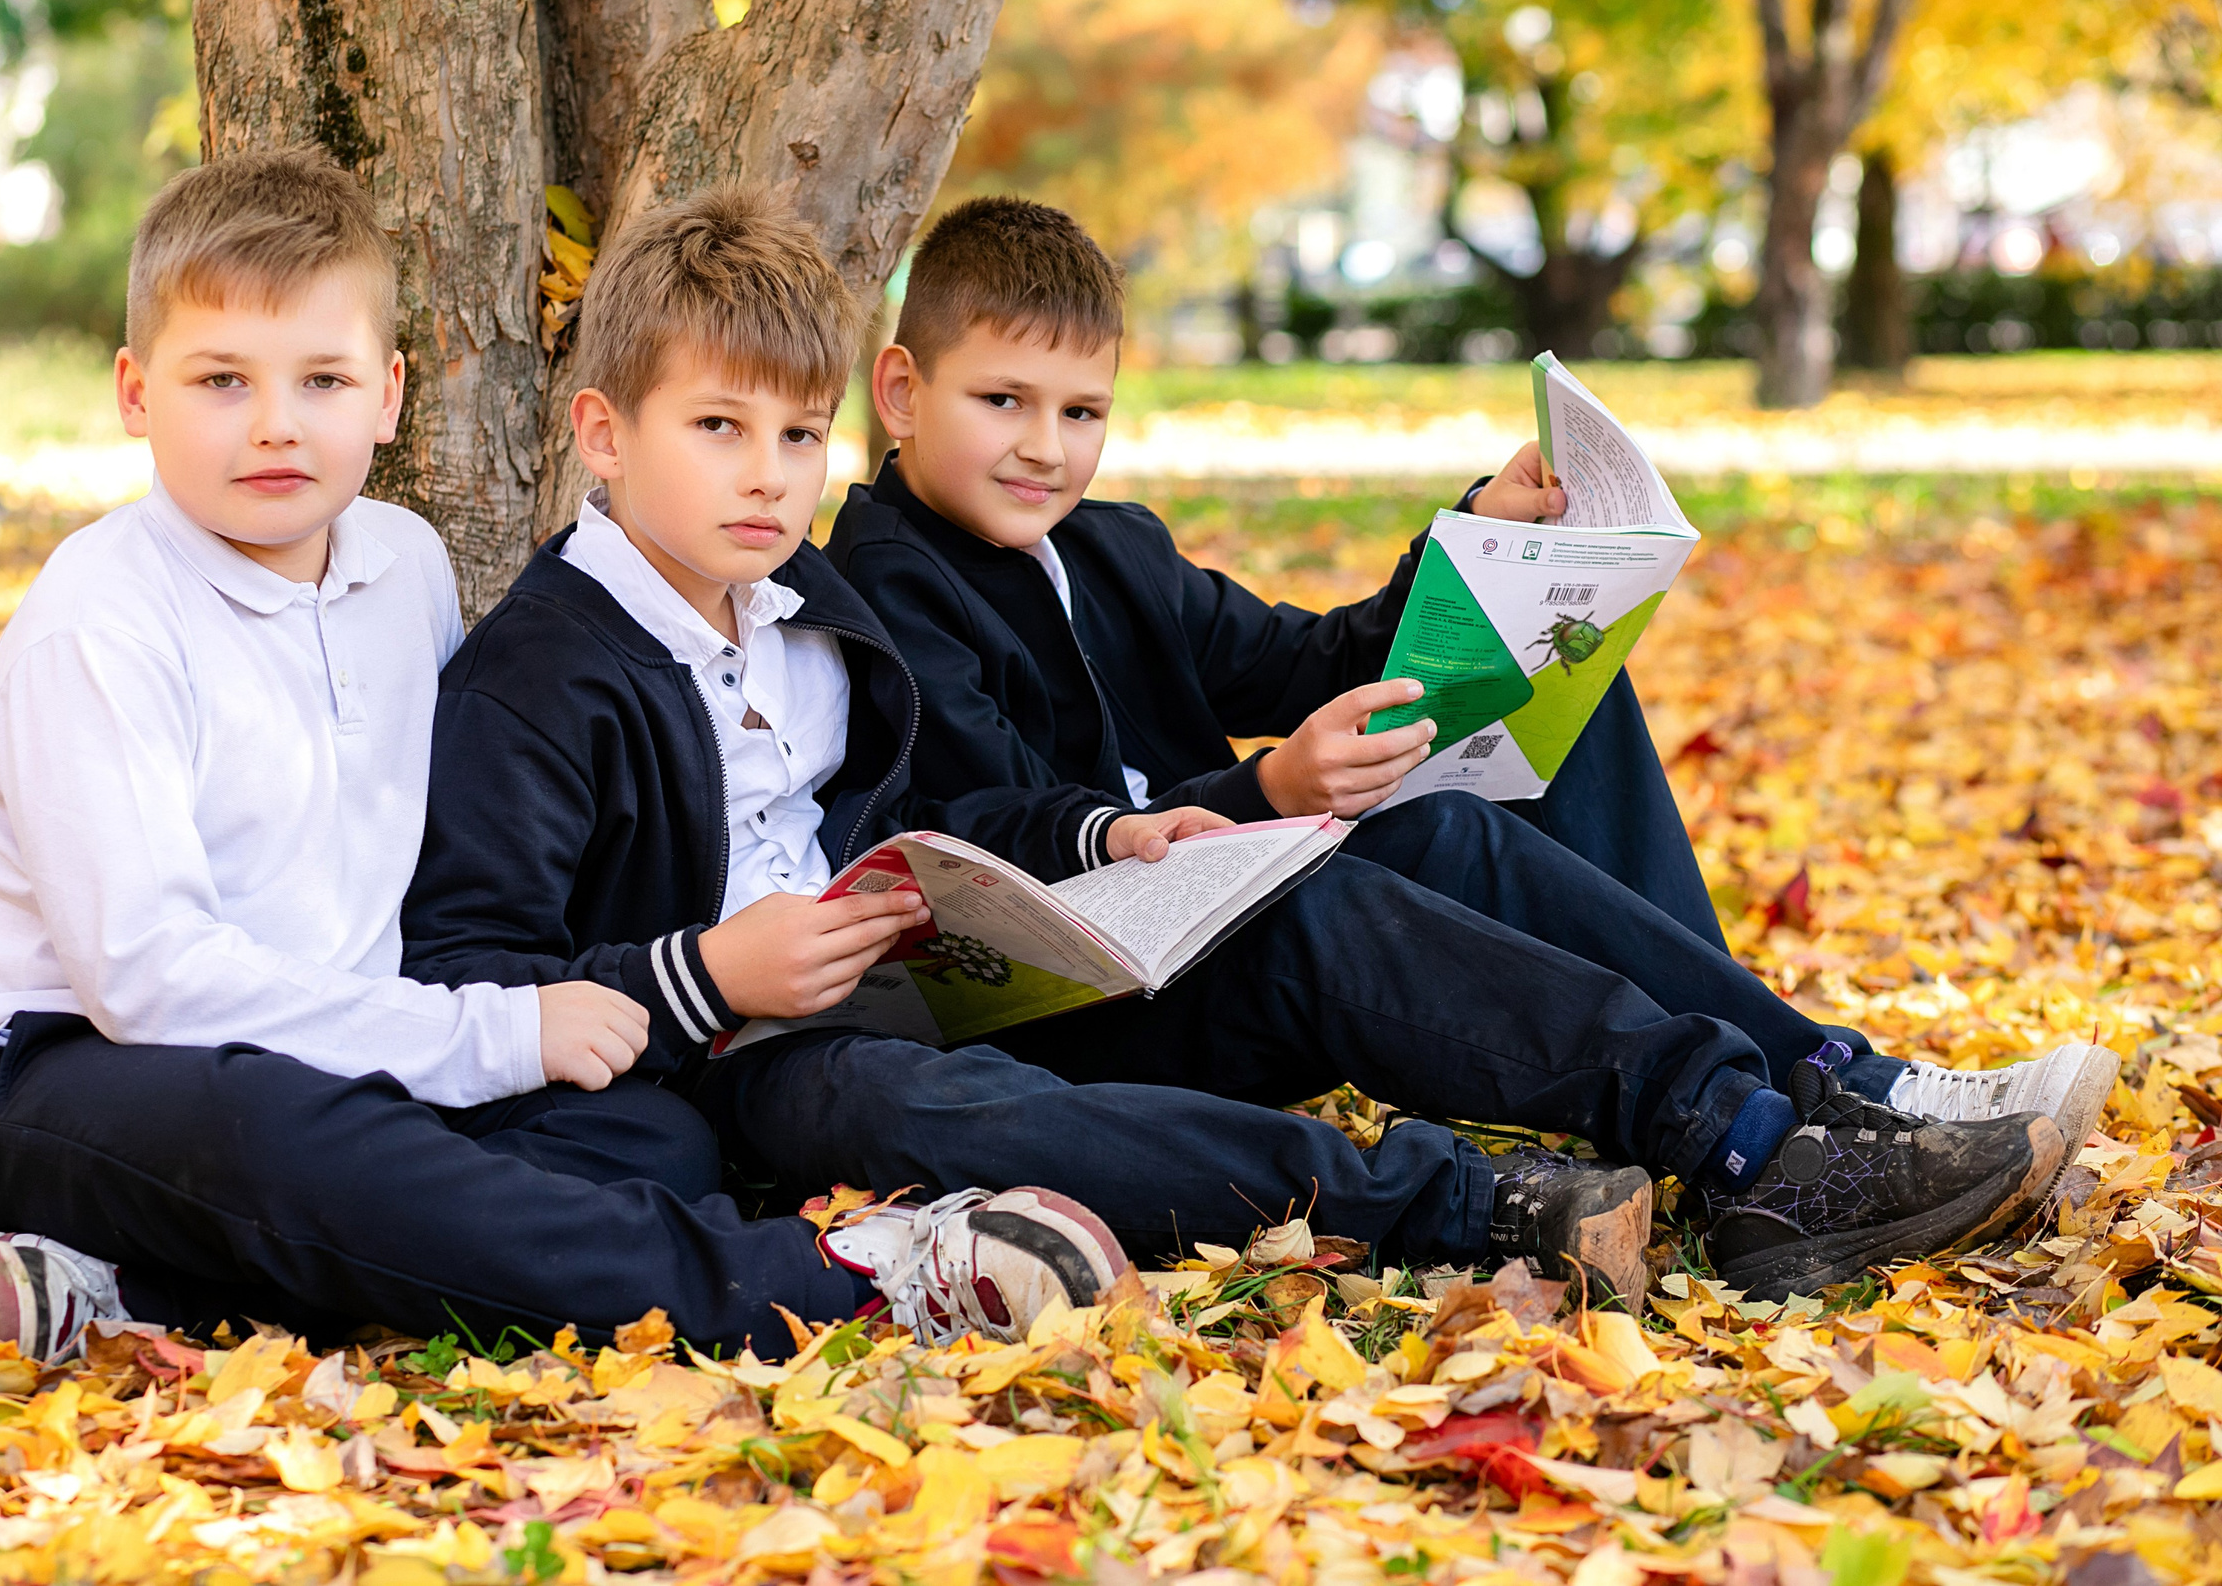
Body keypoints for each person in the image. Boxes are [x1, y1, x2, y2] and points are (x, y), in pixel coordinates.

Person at [400, 187, 2066, 1308]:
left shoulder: (816, 610)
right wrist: (1191, 815)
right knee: (1349, 874)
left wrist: (1467, 551)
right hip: (890, 1018)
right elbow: (949, 807)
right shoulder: (804, 605)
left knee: (1459, 799)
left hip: (1077, 934)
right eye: (718, 431)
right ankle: (1702, 1140)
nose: (765, 474)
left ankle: (1786, 1107)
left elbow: (1273, 662)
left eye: (786, 434)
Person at [0, 149, 1125, 1365]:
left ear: (386, 397)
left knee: (648, 1141)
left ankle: (122, 1291)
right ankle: (834, 1282)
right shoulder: (99, 619)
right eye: (221, 379)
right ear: (133, 393)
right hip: (63, 1072)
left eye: (322, 380)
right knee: (279, 1130)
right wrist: (492, 1034)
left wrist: (494, 1034)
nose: (276, 425)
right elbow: (150, 985)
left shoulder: (400, 564)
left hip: (354, 1047)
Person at [824, 194, 2119, 1170]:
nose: (1046, 447)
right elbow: (991, 839)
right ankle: (1819, 1094)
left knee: (1544, 682)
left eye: (1082, 411)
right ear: (900, 389)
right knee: (1431, 822)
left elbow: (1317, 656)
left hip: (1216, 906)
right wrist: (1266, 785)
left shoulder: (1110, 549)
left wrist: (1481, 543)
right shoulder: (884, 586)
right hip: (1082, 998)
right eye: (1003, 399)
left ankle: (1802, 1073)